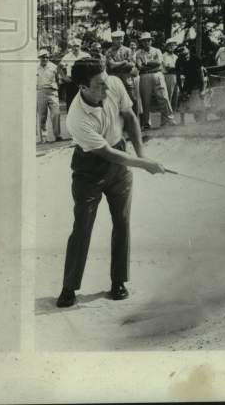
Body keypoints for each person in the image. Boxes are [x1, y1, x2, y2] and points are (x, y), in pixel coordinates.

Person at [56, 58, 166, 308]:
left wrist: (142, 154)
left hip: (120, 157)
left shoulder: (113, 82)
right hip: (89, 168)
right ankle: (69, 287)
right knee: (83, 226)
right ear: (83, 87)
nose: (107, 89)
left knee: (122, 221)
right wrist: (145, 166)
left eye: (106, 82)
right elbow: (106, 154)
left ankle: (119, 282)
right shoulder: (76, 118)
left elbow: (129, 116)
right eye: (99, 86)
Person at [134, 31, 175, 130]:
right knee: (145, 100)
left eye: (148, 40)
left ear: (151, 41)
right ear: (141, 42)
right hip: (144, 76)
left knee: (164, 97)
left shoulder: (157, 51)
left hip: (158, 74)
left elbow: (158, 63)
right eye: (144, 41)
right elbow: (139, 66)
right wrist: (150, 65)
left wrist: (147, 62)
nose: (146, 42)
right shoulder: (138, 53)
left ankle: (168, 119)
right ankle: (147, 123)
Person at [104, 29, 139, 110]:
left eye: (121, 38)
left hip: (127, 78)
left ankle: (134, 120)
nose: (120, 41)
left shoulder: (128, 50)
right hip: (114, 79)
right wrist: (124, 62)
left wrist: (118, 65)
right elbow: (112, 65)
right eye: (117, 39)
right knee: (115, 101)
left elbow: (131, 65)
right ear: (113, 40)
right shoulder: (109, 52)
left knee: (132, 99)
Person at [58, 37, 89, 116]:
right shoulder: (67, 57)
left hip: (84, 82)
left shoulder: (86, 55)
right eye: (74, 46)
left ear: (80, 46)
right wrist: (64, 77)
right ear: (71, 47)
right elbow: (59, 68)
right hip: (71, 82)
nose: (75, 48)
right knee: (71, 103)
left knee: (84, 103)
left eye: (77, 46)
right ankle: (70, 122)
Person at [175, 43, 206, 124]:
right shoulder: (178, 61)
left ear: (188, 51)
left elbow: (201, 75)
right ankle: (182, 121)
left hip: (198, 80)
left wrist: (203, 89)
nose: (185, 57)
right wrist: (181, 91)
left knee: (198, 100)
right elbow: (178, 77)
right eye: (183, 55)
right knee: (183, 100)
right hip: (187, 81)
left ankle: (202, 119)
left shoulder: (196, 58)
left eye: (186, 54)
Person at [36, 49, 62, 142]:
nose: (45, 59)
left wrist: (56, 89)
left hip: (52, 92)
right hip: (40, 92)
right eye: (43, 57)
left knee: (56, 113)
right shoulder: (35, 67)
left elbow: (59, 79)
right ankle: (43, 137)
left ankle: (57, 135)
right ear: (39, 58)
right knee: (42, 116)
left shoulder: (53, 67)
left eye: (47, 57)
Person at [162, 42, 179, 110]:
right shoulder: (164, 56)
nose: (171, 47)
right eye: (169, 46)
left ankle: (173, 111)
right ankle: (167, 111)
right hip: (168, 76)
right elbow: (168, 68)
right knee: (169, 95)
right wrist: (177, 68)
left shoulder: (176, 56)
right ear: (166, 47)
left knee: (176, 95)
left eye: (173, 46)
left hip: (176, 76)